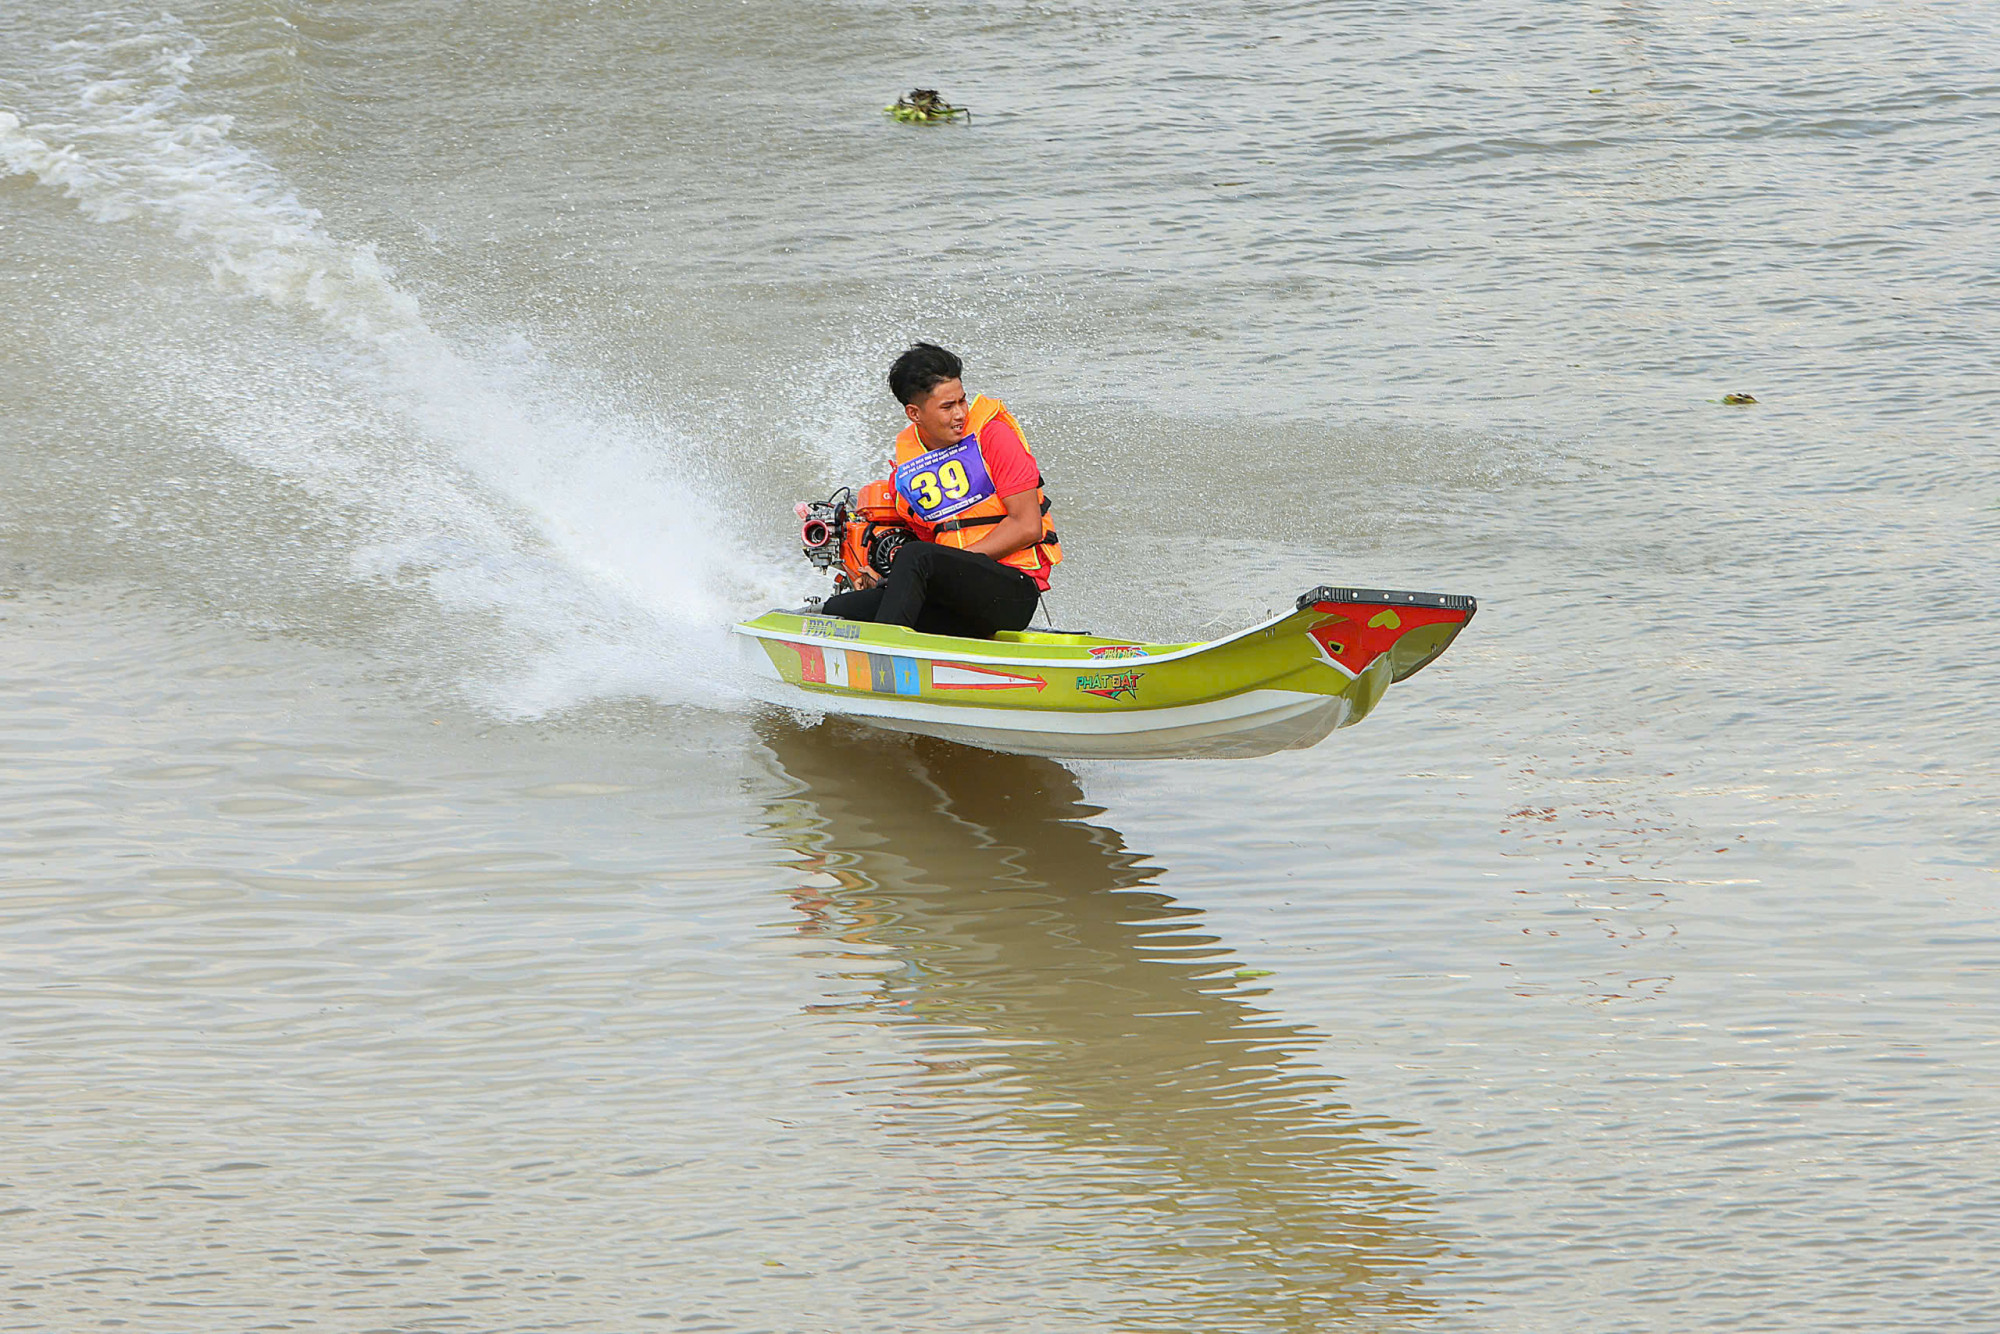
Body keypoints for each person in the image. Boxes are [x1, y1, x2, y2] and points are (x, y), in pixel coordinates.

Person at [823, 343, 1061, 638]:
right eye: (947, 407)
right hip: (949, 596)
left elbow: (1027, 526)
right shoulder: (907, 469)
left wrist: (953, 562)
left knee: (917, 556)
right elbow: (925, 543)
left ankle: (887, 659)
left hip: (1010, 591)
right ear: (914, 413)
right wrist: (885, 579)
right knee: (844, 607)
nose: (960, 414)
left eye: (962, 401)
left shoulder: (994, 437)